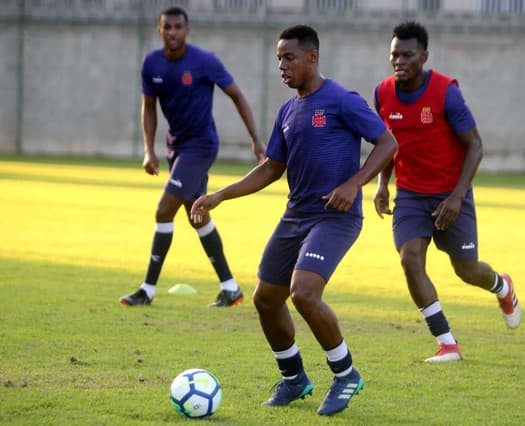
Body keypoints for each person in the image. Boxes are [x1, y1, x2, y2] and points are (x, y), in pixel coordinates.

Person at [191, 25, 397, 416]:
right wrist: (219, 195)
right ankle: (294, 378)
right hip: (296, 216)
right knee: (266, 298)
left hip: (335, 218)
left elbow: (388, 142)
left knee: (303, 292)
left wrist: (355, 184)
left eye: (289, 58)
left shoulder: (341, 100)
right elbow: (271, 168)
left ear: (312, 57)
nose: (282, 66)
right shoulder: (288, 111)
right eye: (278, 59)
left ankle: (346, 373)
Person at [373, 21, 521, 363]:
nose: (400, 61)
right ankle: (447, 343)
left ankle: (502, 287)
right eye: (394, 54)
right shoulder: (382, 93)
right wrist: (383, 184)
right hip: (410, 193)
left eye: (408, 55)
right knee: (410, 258)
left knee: (467, 271)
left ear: (423, 56)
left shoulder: (446, 92)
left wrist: (456, 197)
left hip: (451, 192)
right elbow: (388, 141)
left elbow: (475, 146)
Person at [119, 6, 265, 308]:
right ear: (159, 30)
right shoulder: (152, 64)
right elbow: (148, 108)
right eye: (166, 27)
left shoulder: (204, 62)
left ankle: (147, 289)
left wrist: (255, 140)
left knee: (163, 210)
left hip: (201, 147)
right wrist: (149, 150)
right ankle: (231, 288)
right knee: (197, 215)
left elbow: (237, 96)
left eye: (177, 27)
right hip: (176, 148)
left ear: (187, 30)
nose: (172, 32)